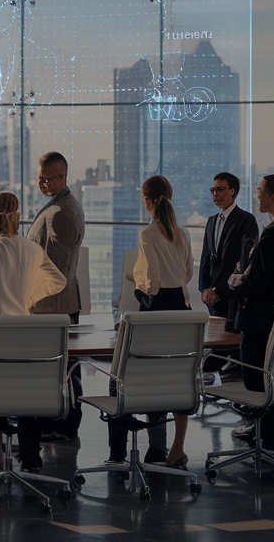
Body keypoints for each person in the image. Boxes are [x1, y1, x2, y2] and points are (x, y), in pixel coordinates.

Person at [0, 190, 66, 471]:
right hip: (26, 333)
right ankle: (31, 457)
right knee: (27, 392)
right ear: (18, 215)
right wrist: (30, 297)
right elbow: (57, 280)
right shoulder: (32, 249)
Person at [112, 176, 193, 468]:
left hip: (156, 311)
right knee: (180, 379)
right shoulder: (182, 232)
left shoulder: (147, 234)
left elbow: (154, 281)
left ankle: (156, 448)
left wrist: (139, 283)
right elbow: (187, 274)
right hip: (182, 311)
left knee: (152, 380)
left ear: (147, 202)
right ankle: (177, 449)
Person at [226, 174, 274, 457]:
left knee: (257, 385)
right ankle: (270, 444)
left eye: (260, 192)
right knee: (270, 385)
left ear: (273, 197)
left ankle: (268, 446)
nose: (256, 196)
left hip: (260, 321)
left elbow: (256, 282)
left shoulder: (273, 232)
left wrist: (234, 283)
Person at [27, 151, 86, 443]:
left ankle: (62, 425)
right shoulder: (60, 206)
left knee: (60, 370)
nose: (42, 184)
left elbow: (56, 272)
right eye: (39, 179)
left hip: (53, 307)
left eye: (48, 179)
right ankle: (60, 422)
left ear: (62, 177)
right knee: (64, 368)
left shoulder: (62, 213)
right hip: (56, 306)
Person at [199, 172, 259, 332]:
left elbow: (244, 261)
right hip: (211, 298)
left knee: (229, 345)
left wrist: (219, 291)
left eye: (220, 190)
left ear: (233, 191)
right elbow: (206, 257)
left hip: (232, 296)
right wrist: (204, 288)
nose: (215, 194)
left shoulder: (246, 220)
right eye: (213, 190)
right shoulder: (212, 221)